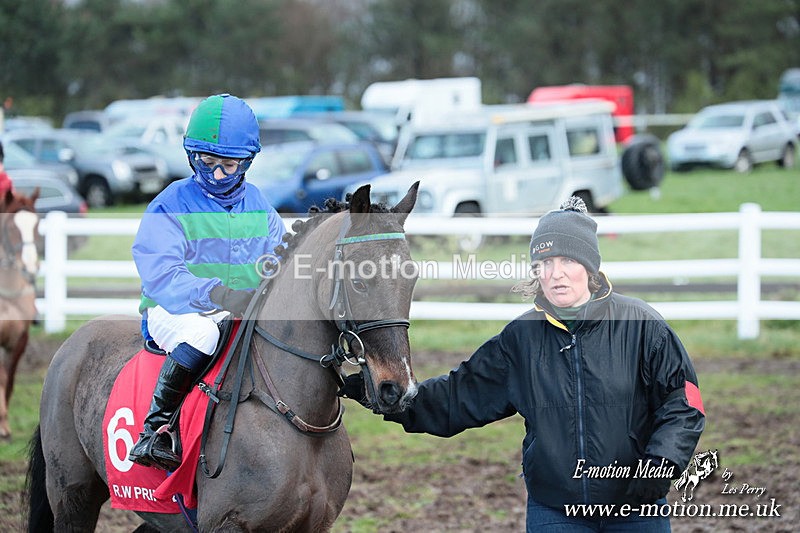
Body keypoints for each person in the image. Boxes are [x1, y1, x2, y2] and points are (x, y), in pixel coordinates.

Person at [342, 197, 706, 532]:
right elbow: (461, 395)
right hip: (556, 512)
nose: (555, 274)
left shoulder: (642, 326)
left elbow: (685, 403)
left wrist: (660, 465)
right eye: (545, 263)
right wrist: (392, 397)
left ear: (590, 268)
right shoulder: (521, 338)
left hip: (636, 507)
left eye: (567, 261)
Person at [129, 94, 286, 470]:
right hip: (175, 309)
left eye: (228, 165)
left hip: (235, 308)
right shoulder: (170, 204)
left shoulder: (260, 205)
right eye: (207, 163)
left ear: (246, 163)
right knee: (204, 335)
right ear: (191, 157)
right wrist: (215, 292)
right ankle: (155, 430)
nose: (217, 175)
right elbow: (162, 272)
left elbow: (280, 257)